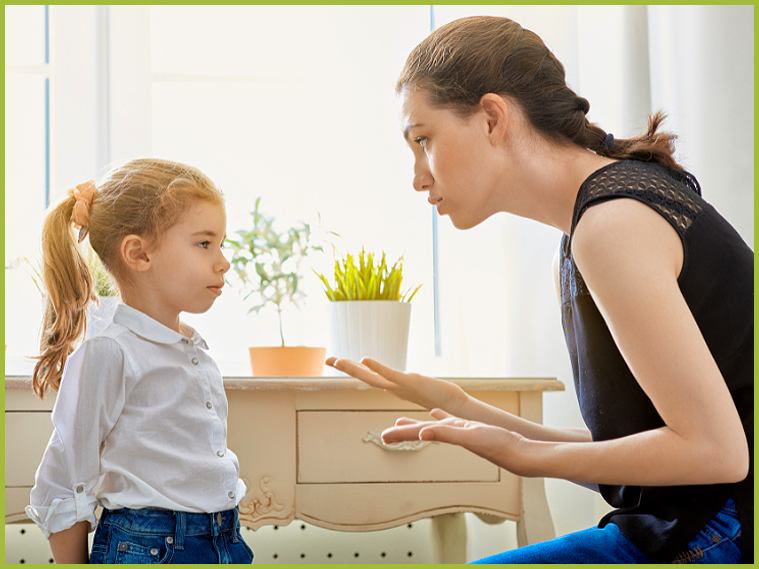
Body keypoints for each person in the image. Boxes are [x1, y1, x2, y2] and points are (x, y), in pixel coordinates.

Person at [327, 15, 753, 564]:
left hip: (722, 527)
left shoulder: (611, 224)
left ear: (491, 118)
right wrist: (461, 406)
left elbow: (716, 454)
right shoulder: (595, 220)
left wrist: (530, 454)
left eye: (423, 140)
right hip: (697, 518)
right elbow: (658, 458)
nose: (418, 176)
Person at [26, 158, 254, 564]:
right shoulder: (109, 352)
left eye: (222, 244)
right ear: (138, 253)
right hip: (149, 548)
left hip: (223, 541)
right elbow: (63, 483)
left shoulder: (195, 354)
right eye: (204, 244)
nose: (223, 262)